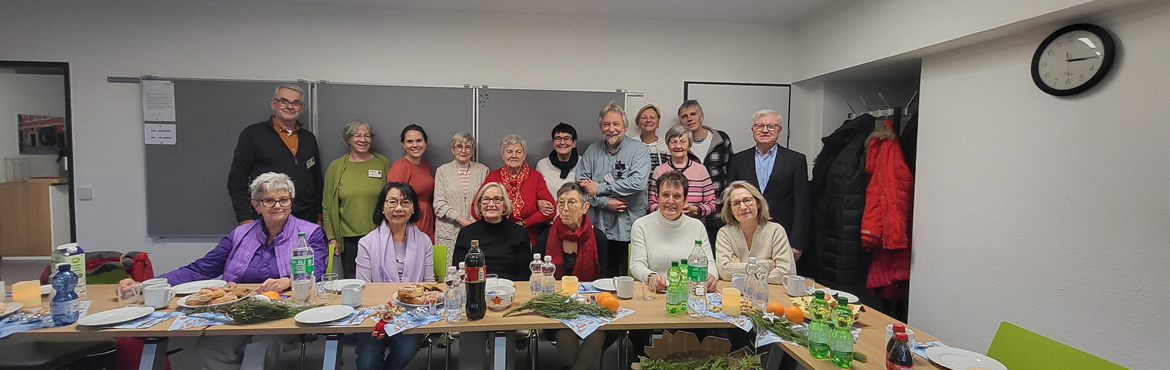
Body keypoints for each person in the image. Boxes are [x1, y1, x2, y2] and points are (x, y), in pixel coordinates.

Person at [121, 172, 327, 370]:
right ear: (256, 205)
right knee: (209, 348)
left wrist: (288, 280)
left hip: (284, 311)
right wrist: (146, 285)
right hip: (238, 310)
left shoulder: (310, 234)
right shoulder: (240, 235)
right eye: (269, 201)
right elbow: (199, 269)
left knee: (261, 347)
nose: (278, 206)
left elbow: (316, 272)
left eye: (284, 200)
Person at [627, 171, 719, 361]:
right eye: (665, 195)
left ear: (685, 200)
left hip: (688, 298)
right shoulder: (641, 225)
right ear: (657, 198)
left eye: (677, 196)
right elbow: (637, 264)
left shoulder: (696, 227)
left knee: (699, 334)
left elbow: (710, 262)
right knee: (640, 334)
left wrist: (711, 276)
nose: (670, 201)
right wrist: (650, 276)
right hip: (654, 297)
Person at [532, 182, 617, 370]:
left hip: (589, 303)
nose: (565, 209)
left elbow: (603, 278)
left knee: (598, 335)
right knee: (564, 335)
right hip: (554, 304)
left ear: (585, 207)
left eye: (572, 202)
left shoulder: (599, 238)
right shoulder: (545, 237)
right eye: (561, 203)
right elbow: (536, 276)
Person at [354, 182, 433, 370]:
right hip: (374, 315)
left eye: (405, 203)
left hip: (411, 315)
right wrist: (384, 314)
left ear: (413, 208)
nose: (398, 208)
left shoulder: (424, 241)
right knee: (368, 362)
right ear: (382, 207)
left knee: (406, 350)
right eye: (392, 202)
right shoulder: (367, 243)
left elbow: (429, 283)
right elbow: (364, 288)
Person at [726, 109, 810, 271]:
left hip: (783, 237)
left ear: (780, 130)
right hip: (746, 236)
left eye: (771, 126)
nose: (765, 130)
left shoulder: (796, 160)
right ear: (753, 130)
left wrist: (797, 244)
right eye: (759, 126)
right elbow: (731, 202)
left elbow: (802, 204)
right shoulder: (738, 160)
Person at [228, 84, 323, 224]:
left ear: (301, 108)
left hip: (305, 216)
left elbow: (316, 180)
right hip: (267, 216)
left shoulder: (309, 139)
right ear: (274, 103)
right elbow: (237, 180)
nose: (290, 106)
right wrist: (245, 218)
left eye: (296, 103)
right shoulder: (253, 134)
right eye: (284, 101)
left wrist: (319, 214)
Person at [577, 101, 650, 277]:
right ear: (601, 127)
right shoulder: (592, 151)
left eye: (616, 124)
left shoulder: (639, 150)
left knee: (630, 280)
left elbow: (638, 182)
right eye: (606, 124)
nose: (611, 129)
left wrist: (601, 188)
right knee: (600, 279)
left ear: (625, 127)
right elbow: (582, 187)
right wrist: (605, 202)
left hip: (629, 229)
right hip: (598, 229)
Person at [323, 120, 392, 279]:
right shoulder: (336, 167)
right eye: (358, 135)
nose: (363, 140)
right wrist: (331, 237)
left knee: (381, 278)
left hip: (380, 234)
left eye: (367, 136)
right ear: (348, 139)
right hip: (348, 238)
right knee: (352, 280)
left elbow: (393, 196)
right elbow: (327, 205)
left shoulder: (382, 163)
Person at [480, 134, 555, 245]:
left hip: (527, 239)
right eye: (509, 152)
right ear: (503, 155)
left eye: (518, 152)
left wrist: (525, 223)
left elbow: (550, 210)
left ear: (524, 155)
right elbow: (475, 207)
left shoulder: (535, 177)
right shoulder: (493, 176)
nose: (513, 156)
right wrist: (496, 222)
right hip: (496, 237)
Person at [714, 180, 796, 281]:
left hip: (771, 293)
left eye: (747, 200)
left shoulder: (776, 231)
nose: (743, 207)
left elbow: (786, 273)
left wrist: (740, 267)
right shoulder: (725, 233)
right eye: (736, 203)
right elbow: (725, 272)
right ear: (730, 209)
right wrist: (765, 265)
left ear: (758, 203)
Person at [677, 99, 733, 245]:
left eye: (693, 114)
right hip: (690, 214)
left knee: (718, 254)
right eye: (684, 116)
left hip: (719, 212)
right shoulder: (679, 145)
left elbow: (732, 171)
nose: (689, 119)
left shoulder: (721, 140)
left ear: (701, 117)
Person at [452, 182, 531, 280]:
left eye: (497, 200)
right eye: (486, 200)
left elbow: (524, 275)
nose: (491, 204)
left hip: (511, 289)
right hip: (477, 289)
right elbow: (458, 272)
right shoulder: (466, 233)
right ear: (479, 204)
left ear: (505, 204)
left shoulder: (520, 233)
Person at [433, 132, 489, 265]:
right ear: (452, 149)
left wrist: (473, 222)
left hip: (476, 228)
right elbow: (438, 204)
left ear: (473, 150)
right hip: (448, 231)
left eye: (468, 147)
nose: (463, 150)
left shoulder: (483, 171)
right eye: (459, 146)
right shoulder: (442, 171)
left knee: (475, 269)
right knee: (447, 273)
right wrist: (461, 220)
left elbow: (486, 200)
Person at [648, 124, 717, 220]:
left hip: (694, 225)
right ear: (668, 145)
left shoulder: (701, 170)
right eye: (673, 142)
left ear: (689, 145)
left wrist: (695, 210)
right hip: (665, 225)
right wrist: (669, 211)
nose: (678, 146)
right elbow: (651, 204)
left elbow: (712, 204)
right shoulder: (659, 171)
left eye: (683, 142)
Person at [387, 124, 436, 241]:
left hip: (427, 218)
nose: (415, 145)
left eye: (419, 140)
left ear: (425, 143)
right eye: (409, 141)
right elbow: (394, 201)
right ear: (403, 145)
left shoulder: (425, 165)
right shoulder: (401, 166)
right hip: (411, 220)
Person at [534, 123, 580, 196]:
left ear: (574, 143)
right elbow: (536, 191)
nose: (562, 143)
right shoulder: (542, 165)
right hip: (551, 207)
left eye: (567, 139)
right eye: (558, 139)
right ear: (553, 142)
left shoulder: (583, 163)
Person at [635, 104, 670, 170]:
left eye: (652, 117)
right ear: (638, 124)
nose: (648, 120)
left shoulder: (667, 145)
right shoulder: (630, 145)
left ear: (658, 123)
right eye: (644, 118)